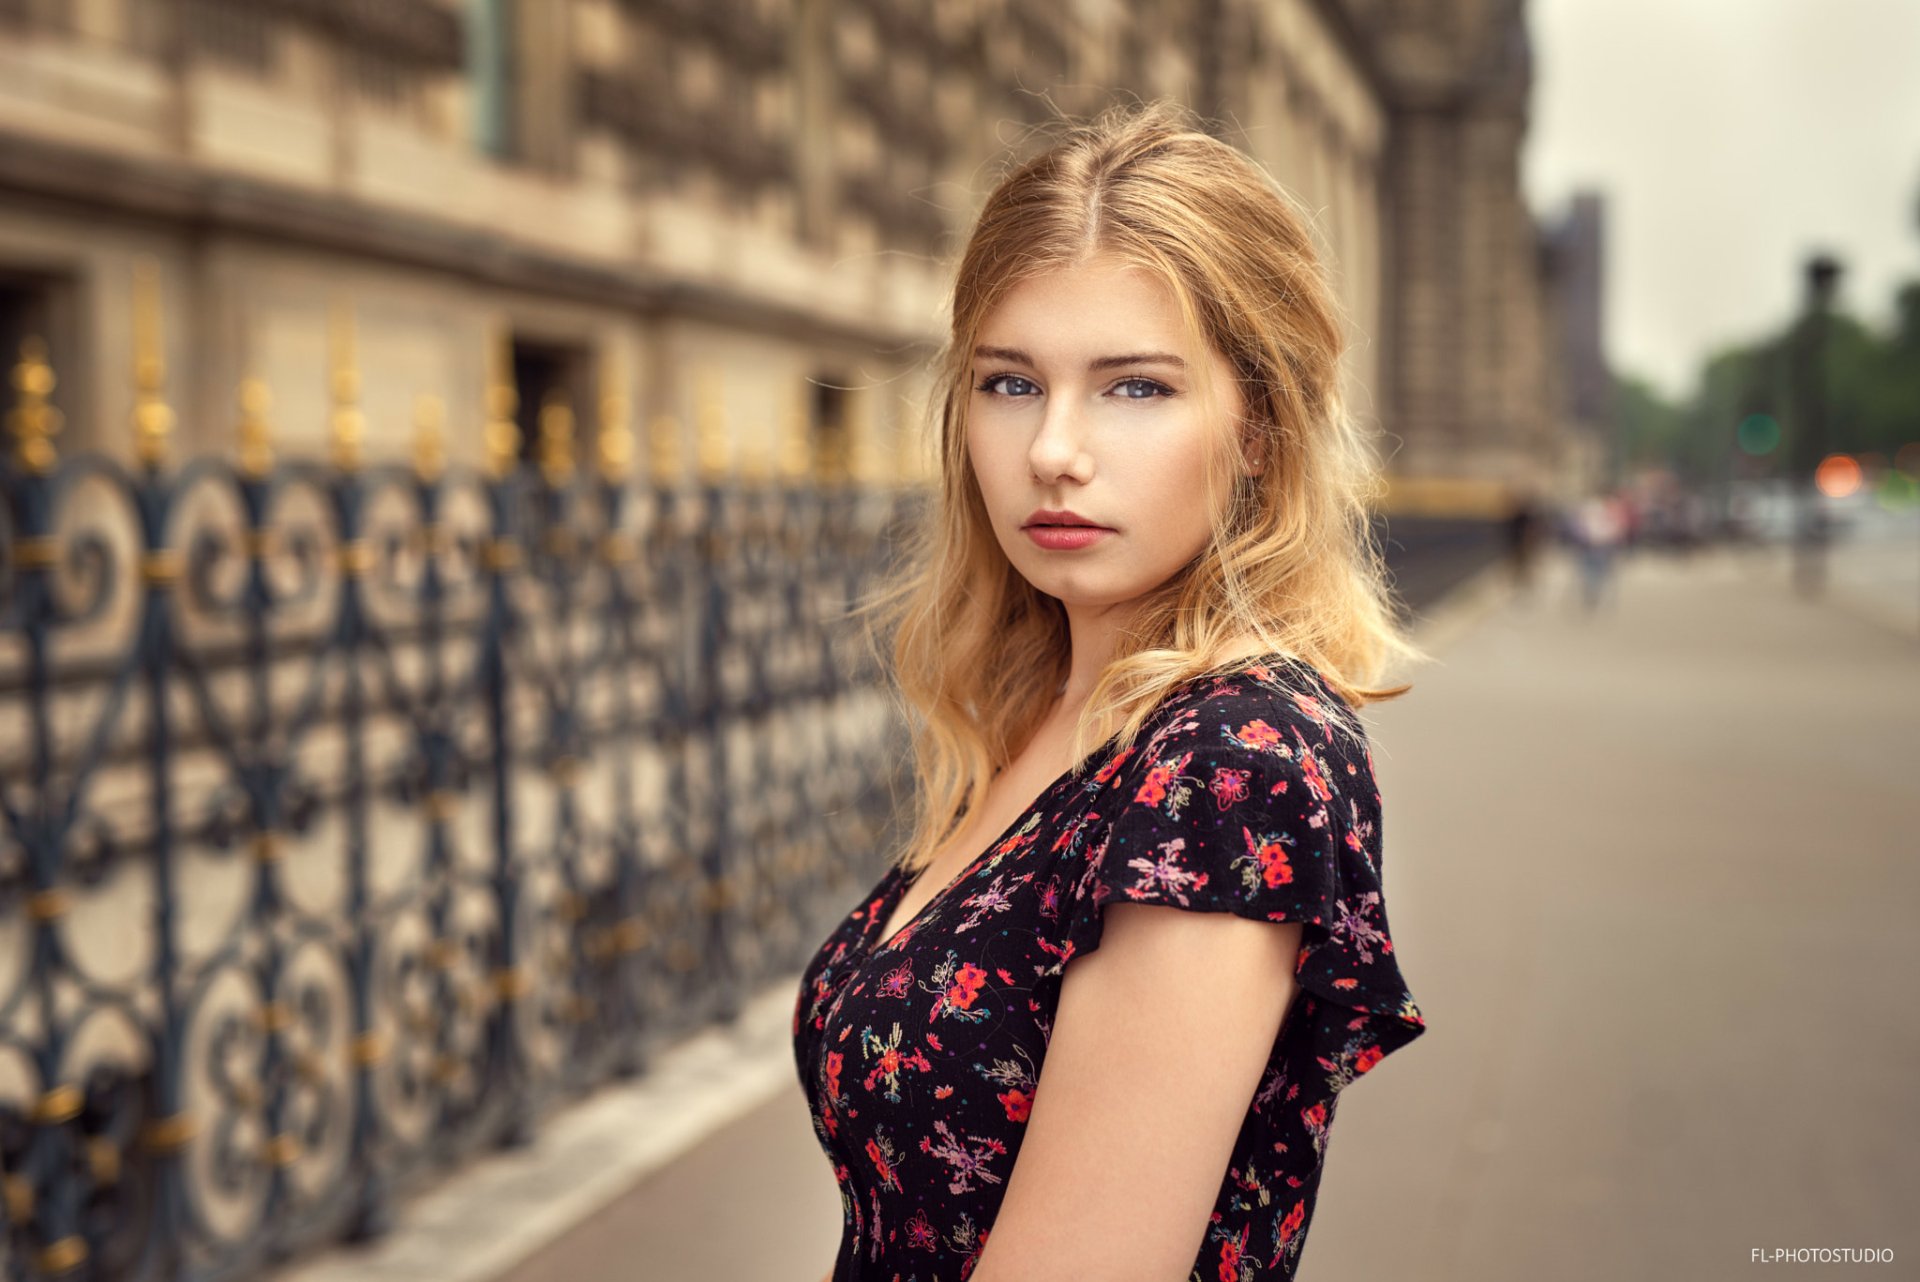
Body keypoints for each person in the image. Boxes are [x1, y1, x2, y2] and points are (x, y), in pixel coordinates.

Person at [794, 100, 1429, 1282]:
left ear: (1260, 430)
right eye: (1009, 383)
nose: (1052, 449)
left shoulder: (1233, 762)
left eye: (1134, 388)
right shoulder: (1047, 711)